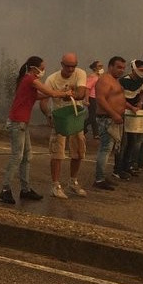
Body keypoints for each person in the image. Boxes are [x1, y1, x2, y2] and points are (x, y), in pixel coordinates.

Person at [0, 56, 69, 204]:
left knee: (26, 156)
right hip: (18, 122)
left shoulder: (28, 80)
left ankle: (25, 189)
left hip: (22, 123)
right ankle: (5, 189)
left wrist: (59, 92)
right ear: (33, 68)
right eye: (42, 68)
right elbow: (51, 93)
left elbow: (38, 95)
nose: (43, 71)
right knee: (17, 156)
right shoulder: (30, 79)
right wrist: (64, 94)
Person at [40, 53, 89, 199]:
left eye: (73, 66)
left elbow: (81, 93)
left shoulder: (80, 73)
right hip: (60, 116)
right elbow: (43, 100)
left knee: (79, 149)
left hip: (75, 116)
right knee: (57, 151)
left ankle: (73, 181)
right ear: (61, 64)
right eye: (67, 66)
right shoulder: (52, 79)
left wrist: (68, 95)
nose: (70, 69)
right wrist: (48, 114)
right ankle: (55, 184)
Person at [93, 56, 129, 190]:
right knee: (105, 148)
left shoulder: (115, 81)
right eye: (119, 67)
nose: (121, 70)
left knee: (110, 149)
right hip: (107, 119)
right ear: (110, 66)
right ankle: (99, 179)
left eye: (123, 68)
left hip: (115, 118)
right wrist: (114, 114)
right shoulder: (105, 80)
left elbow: (118, 98)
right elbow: (100, 99)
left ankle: (102, 175)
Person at [114, 60, 143, 180]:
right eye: (141, 70)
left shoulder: (142, 81)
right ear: (134, 69)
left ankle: (126, 166)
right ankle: (117, 169)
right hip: (123, 112)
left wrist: (140, 102)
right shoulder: (123, 81)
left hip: (133, 113)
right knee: (123, 142)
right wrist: (131, 107)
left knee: (132, 141)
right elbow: (120, 98)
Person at [83, 60, 103, 139]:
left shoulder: (99, 77)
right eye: (99, 66)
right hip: (92, 98)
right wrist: (87, 100)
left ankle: (95, 133)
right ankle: (83, 128)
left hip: (97, 98)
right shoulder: (92, 77)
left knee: (94, 116)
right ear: (95, 68)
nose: (101, 68)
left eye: (102, 66)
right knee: (93, 116)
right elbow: (87, 89)